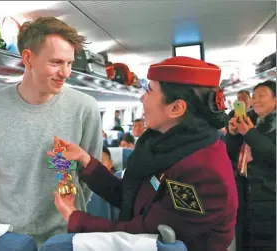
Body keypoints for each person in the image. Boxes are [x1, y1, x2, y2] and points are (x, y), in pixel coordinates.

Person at [50, 57, 238, 251]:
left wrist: (75, 218)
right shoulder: (164, 145)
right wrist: (85, 159)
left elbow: (146, 234)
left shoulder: (203, 172)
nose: (142, 98)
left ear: (176, 108)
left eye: (149, 91)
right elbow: (131, 196)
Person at [0, 17, 103, 244]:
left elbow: (89, 175)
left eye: (70, 63)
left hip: (64, 236)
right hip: (9, 235)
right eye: (56, 62)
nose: (65, 73)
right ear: (28, 58)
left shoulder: (85, 107)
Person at [225, 80, 276, 251]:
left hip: (269, 197)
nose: (256, 100)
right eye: (254, 96)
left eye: (262, 96)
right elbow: (231, 153)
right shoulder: (247, 120)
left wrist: (250, 134)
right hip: (244, 194)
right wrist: (233, 134)